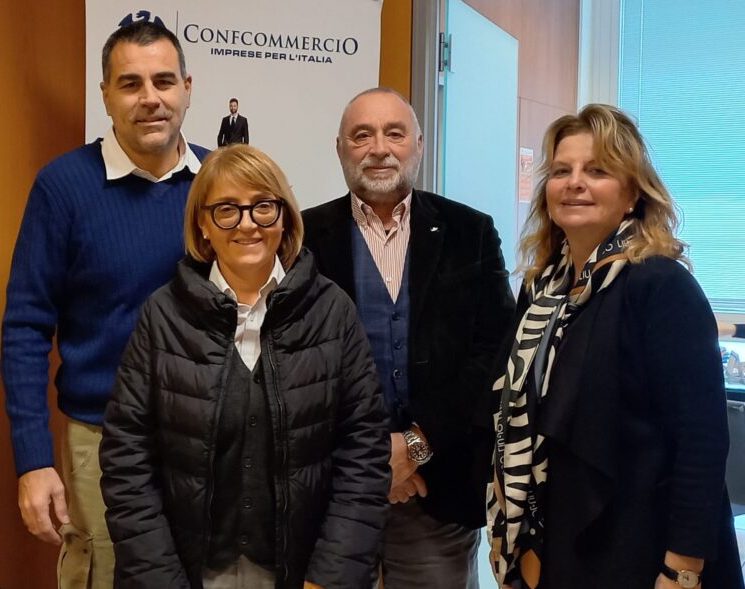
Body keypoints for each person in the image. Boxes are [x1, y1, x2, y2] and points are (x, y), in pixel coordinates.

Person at [99, 144, 391, 589]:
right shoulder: (164, 316)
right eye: (227, 210)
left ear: (284, 216)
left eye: (262, 206)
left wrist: (331, 576)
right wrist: (158, 577)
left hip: (303, 573)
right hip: (188, 573)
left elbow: (364, 453)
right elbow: (127, 457)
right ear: (202, 224)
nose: (248, 223)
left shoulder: (332, 312)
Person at [485, 103, 743, 589]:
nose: (575, 183)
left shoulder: (661, 285)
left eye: (597, 171)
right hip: (561, 541)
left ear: (631, 194)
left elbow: (702, 441)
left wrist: (681, 569)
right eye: (561, 171)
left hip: (643, 548)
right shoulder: (542, 288)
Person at [0, 21, 208, 588]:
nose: (150, 98)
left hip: (211, 438)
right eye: (130, 84)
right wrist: (33, 460)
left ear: (188, 88)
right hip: (102, 440)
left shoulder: (220, 182)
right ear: (106, 95)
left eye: (164, 81)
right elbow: (24, 328)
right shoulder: (63, 187)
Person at [302, 87, 515, 588]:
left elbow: (494, 353)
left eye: (394, 134)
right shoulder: (302, 236)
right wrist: (373, 462)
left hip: (439, 491)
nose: (379, 148)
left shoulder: (470, 232)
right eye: (362, 135)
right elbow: (295, 365)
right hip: (334, 493)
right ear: (339, 148)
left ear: (418, 145)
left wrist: (415, 446)